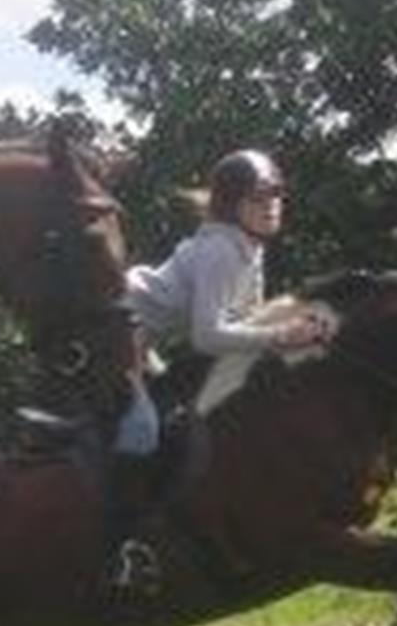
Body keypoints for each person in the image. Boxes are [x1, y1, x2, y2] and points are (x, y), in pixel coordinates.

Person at [105, 148, 332, 587]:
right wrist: (280, 337)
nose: (272, 205)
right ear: (232, 205)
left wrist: (295, 328)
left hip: (144, 339)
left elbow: (246, 321)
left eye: (278, 194)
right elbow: (208, 336)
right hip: (119, 333)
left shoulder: (249, 248)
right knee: (144, 429)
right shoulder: (220, 251)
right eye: (260, 197)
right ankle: (124, 547)